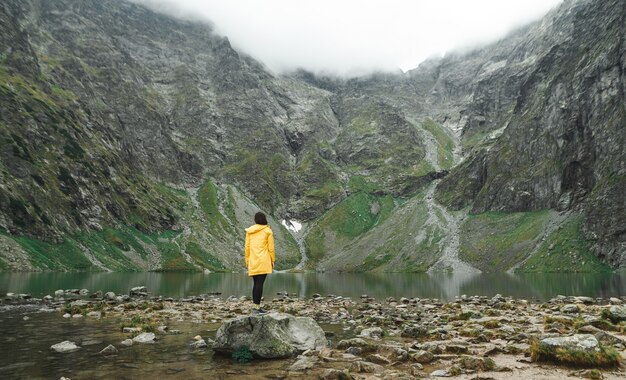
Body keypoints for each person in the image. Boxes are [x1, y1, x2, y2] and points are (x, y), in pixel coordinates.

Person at [244, 212, 275, 314]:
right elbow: (271, 248)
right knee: (260, 284)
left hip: (253, 260)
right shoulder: (267, 231)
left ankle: (255, 306)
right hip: (264, 261)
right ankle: (257, 308)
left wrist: (247, 261)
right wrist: (272, 260)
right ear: (264, 219)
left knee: (255, 284)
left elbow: (247, 248)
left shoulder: (249, 231)